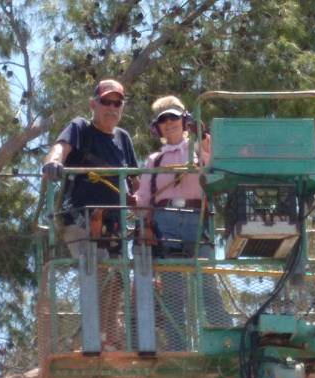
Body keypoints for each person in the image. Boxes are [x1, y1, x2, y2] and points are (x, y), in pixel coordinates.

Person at [42, 79, 137, 351]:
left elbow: (135, 180)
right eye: (106, 102)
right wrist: (54, 162)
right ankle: (93, 338)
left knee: (117, 280)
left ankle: (107, 337)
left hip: (114, 222)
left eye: (117, 103)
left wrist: (142, 200)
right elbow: (60, 148)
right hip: (81, 219)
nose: (111, 107)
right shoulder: (81, 128)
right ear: (93, 104)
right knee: (98, 272)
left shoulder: (123, 139)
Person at [135, 96, 232, 351]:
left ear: (185, 121)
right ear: (157, 128)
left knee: (208, 285)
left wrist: (204, 139)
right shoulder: (154, 161)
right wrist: (145, 225)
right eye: (163, 120)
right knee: (173, 292)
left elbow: (215, 168)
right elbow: (144, 197)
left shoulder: (199, 149)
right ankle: (179, 350)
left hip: (197, 219)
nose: (169, 123)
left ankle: (226, 344)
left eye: (174, 117)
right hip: (165, 223)